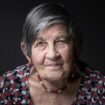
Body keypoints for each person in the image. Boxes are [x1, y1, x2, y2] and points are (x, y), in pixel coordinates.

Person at [0, 2, 105, 105]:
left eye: (61, 41)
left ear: (77, 46)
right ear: (27, 51)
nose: (52, 55)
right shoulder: (8, 86)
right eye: (41, 43)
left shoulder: (99, 89)